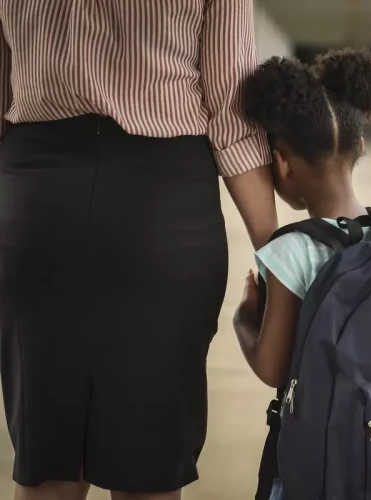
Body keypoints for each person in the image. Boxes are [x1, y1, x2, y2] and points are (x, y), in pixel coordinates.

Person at [0, 2, 277, 500]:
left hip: (37, 205)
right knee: (149, 467)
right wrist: (278, 259)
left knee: (48, 467)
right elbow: (232, 117)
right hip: (163, 209)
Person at [231, 48, 371, 499]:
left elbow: (273, 369)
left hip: (319, 461)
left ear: (282, 163)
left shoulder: (290, 251)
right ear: (361, 149)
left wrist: (244, 321)